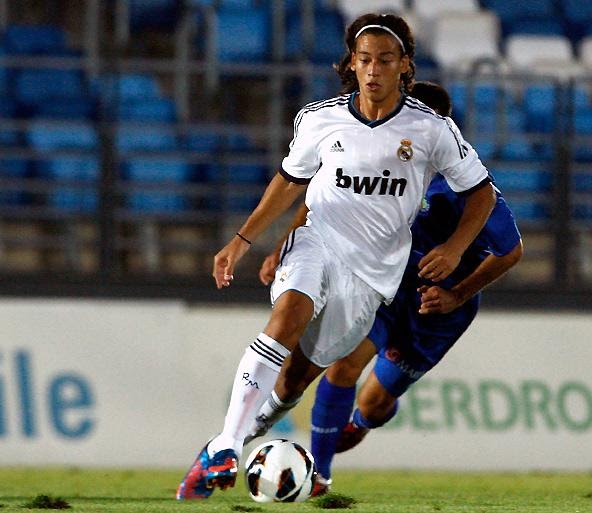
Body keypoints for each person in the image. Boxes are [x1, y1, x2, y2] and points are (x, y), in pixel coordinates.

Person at [177, 13, 495, 500]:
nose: (373, 70)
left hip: (372, 274)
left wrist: (454, 249)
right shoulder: (319, 118)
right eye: (364, 59)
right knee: (288, 314)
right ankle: (226, 445)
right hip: (318, 240)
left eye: (384, 60)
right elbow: (290, 182)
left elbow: (482, 195)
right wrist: (243, 240)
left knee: (296, 379)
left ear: (404, 65)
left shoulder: (431, 129)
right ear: (351, 63)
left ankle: (229, 443)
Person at [257, 81, 523, 496]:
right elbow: (320, 196)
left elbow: (511, 250)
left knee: (374, 403)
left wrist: (457, 293)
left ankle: (363, 421)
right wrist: (284, 246)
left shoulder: (467, 186)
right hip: (385, 286)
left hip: (437, 310)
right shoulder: (376, 154)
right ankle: (320, 477)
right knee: (344, 366)